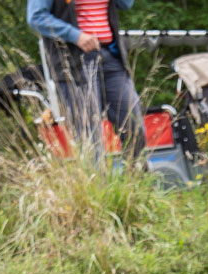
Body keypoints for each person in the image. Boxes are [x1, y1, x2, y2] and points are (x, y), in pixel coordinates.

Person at [28, 0, 143, 162]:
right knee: (90, 138)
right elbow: (35, 17)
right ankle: (98, 186)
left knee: (135, 125)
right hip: (74, 61)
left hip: (110, 55)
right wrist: (76, 36)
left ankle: (137, 181)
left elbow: (126, 4)